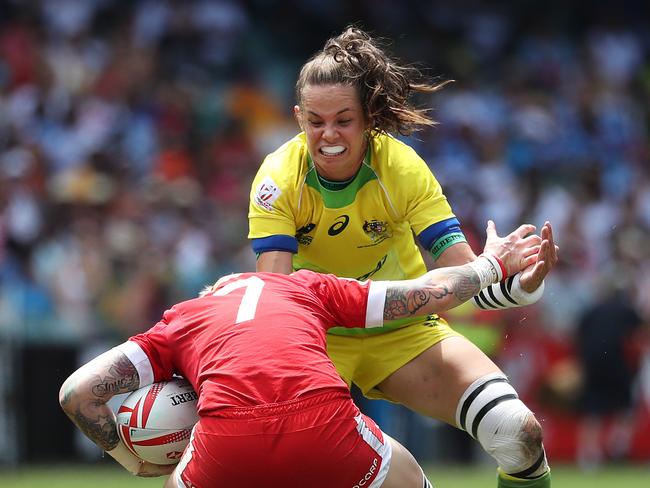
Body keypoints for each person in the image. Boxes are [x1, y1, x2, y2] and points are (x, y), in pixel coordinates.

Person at [248, 26, 559, 488]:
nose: (328, 134)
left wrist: (517, 288)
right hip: (316, 339)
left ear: (369, 117)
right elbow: (274, 303)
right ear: (298, 118)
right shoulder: (277, 178)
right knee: (290, 469)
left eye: (343, 120)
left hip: (402, 326)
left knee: (519, 433)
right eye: (315, 121)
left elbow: (461, 275)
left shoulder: (403, 169)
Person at [59, 223, 540, 487]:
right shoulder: (304, 287)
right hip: (322, 425)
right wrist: (490, 266)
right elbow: (424, 295)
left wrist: (134, 463)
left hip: (227, 443)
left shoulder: (183, 318)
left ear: (213, 293)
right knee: (409, 478)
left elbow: (77, 394)